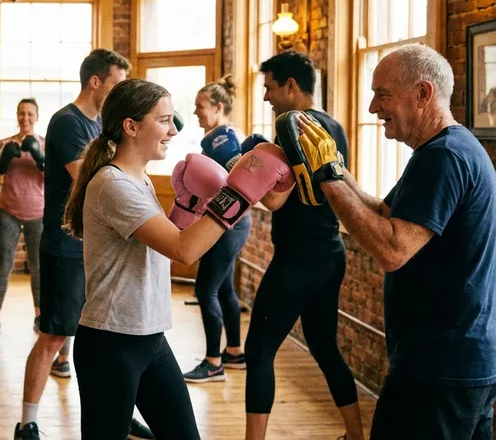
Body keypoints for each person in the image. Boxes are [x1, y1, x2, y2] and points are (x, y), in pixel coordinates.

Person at [61, 78, 294, 439]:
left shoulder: (138, 179)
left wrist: (187, 209)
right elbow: (185, 251)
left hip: (150, 336)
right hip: (112, 342)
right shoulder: (113, 184)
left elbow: (160, 248)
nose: (174, 129)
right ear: (131, 126)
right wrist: (241, 192)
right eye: (165, 120)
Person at [288, 44, 496, 439]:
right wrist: (334, 169)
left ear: (422, 94)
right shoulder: (445, 149)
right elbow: (385, 213)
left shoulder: (445, 157)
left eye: (381, 94)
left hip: (441, 365)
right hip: (460, 360)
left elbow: (392, 249)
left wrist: (327, 182)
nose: (372, 108)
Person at [15, 48, 158, 440]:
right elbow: (93, 176)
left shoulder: (100, 125)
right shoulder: (67, 123)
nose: (119, 92)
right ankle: (27, 421)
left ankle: (119, 411)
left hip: (94, 246)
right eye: (116, 83)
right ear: (96, 81)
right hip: (65, 245)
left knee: (111, 334)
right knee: (54, 334)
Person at [243, 51, 363, 440]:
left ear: (291, 86)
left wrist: (244, 168)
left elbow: (275, 199)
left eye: (270, 88)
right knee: (326, 349)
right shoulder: (334, 127)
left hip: (298, 258)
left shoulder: (291, 126)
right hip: (331, 253)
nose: (267, 97)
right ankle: (356, 435)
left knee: (258, 351)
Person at [182, 75, 253, 383]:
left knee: (205, 289)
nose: (196, 112)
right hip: (233, 222)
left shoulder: (226, 137)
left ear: (218, 106)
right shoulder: (217, 138)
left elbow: (238, 183)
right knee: (224, 289)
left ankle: (213, 362)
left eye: (200, 106)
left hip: (228, 223)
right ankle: (234, 352)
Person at [0, 98, 44, 338]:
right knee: (3, 265)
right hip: (8, 211)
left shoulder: (45, 144)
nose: (25, 118)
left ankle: (39, 316)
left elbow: (50, 180)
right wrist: (4, 162)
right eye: (21, 113)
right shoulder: (4, 144)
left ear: (36, 117)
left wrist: (40, 158)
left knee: (38, 267)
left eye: (30, 114)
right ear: (16, 115)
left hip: (37, 212)